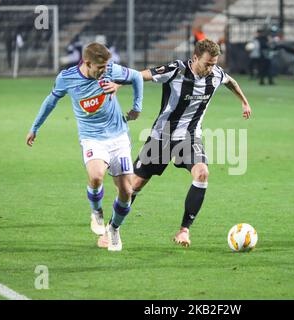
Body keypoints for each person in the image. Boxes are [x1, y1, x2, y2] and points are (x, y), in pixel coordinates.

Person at [98, 39, 252, 248]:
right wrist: (118, 83)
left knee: (202, 173)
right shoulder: (176, 70)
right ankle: (111, 229)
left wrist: (244, 101)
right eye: (207, 63)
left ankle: (184, 230)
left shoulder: (216, 74)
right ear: (195, 58)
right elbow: (143, 75)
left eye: (214, 63)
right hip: (162, 136)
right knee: (134, 185)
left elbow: (230, 81)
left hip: (189, 137)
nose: (211, 68)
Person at [26, 42, 144, 251]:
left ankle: (114, 229)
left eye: (107, 67)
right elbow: (50, 101)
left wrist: (137, 107)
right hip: (92, 138)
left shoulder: (109, 70)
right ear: (87, 63)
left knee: (126, 190)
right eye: (100, 68)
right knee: (96, 175)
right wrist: (35, 127)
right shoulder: (67, 78)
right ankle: (96, 211)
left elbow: (135, 76)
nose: (105, 71)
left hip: (118, 136)